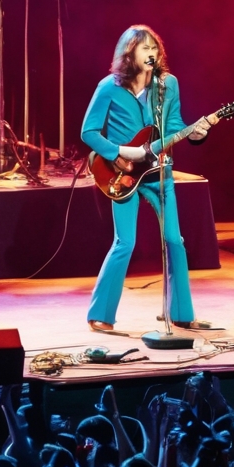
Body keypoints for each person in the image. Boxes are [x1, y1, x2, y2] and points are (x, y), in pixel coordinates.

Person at [80, 25, 212, 334]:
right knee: (125, 242)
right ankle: (100, 313)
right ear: (129, 54)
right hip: (123, 174)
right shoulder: (109, 87)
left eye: (154, 47)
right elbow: (88, 131)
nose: (151, 52)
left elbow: (176, 123)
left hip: (159, 173)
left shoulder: (168, 85)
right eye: (144, 48)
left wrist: (195, 133)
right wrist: (117, 154)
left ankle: (180, 312)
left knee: (174, 241)